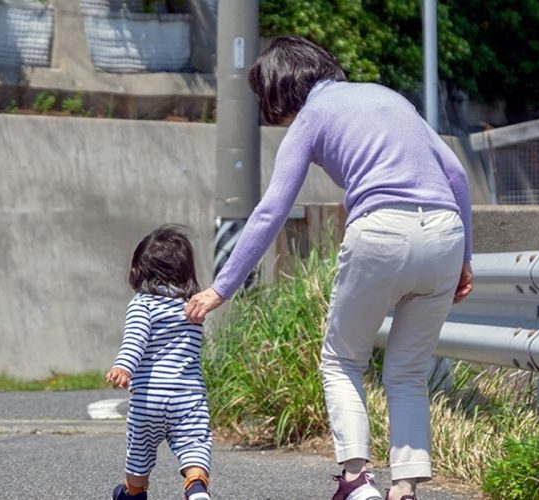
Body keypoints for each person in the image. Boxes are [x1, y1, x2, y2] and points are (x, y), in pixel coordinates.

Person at [185, 35, 474, 500]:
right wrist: (465, 258)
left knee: (342, 360)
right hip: (444, 231)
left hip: (380, 232)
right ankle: (405, 488)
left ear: (281, 90)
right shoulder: (390, 97)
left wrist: (221, 288)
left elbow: (271, 209)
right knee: (407, 371)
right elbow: (457, 175)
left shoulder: (314, 114)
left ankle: (357, 480)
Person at [107, 224, 212, 500]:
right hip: (188, 398)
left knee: (139, 453)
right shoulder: (193, 305)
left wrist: (123, 367)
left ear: (139, 271)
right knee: (194, 447)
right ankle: (197, 487)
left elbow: (135, 340)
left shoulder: (142, 303)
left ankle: (133, 491)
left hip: (149, 399)